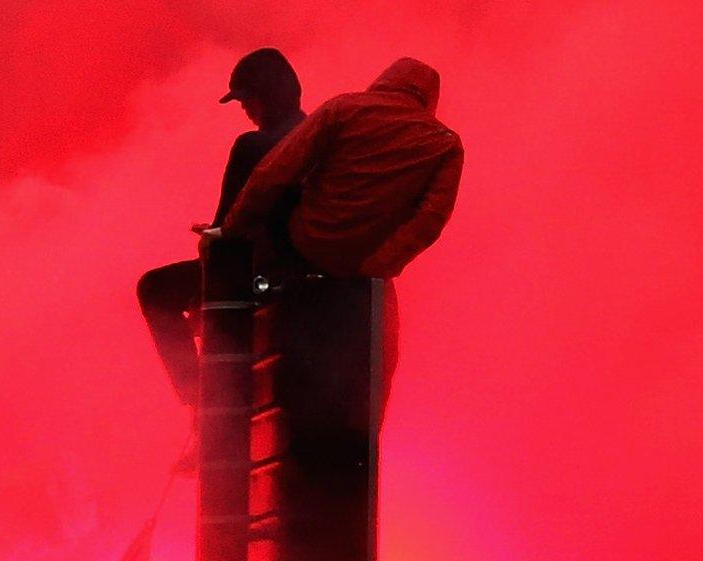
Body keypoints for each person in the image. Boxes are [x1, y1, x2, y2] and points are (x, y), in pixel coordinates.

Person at [138, 47, 306, 403]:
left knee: (154, 289)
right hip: (294, 265)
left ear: (266, 96)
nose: (245, 110)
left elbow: (226, 228)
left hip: (252, 270)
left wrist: (210, 238)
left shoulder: (252, 145)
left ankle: (196, 401)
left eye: (247, 100)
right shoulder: (315, 135)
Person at [223, 57, 463, 280]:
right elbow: (430, 219)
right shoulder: (445, 144)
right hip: (364, 263)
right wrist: (380, 265)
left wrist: (232, 227)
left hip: (305, 243)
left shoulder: (343, 108)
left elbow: (276, 170)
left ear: (383, 81)